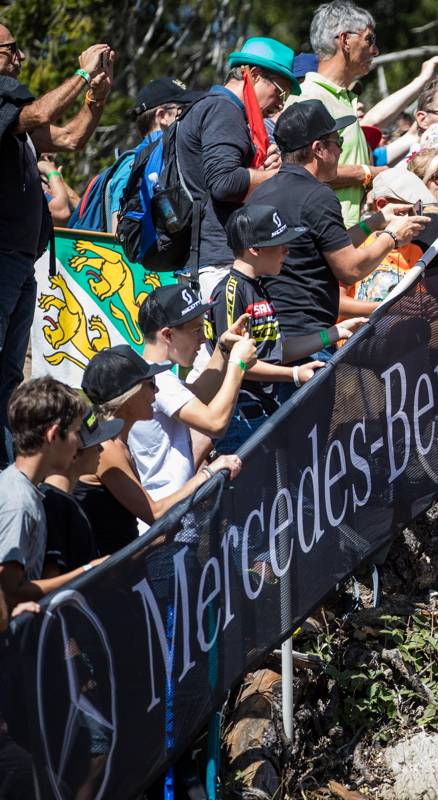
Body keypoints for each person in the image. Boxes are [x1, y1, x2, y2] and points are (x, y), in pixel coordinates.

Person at [0, 28, 113, 469]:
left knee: (9, 378)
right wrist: (83, 73)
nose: (22, 57)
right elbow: (38, 112)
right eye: (11, 50)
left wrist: (96, 98)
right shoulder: (11, 110)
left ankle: (10, 470)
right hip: (5, 260)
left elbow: (68, 138)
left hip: (20, 262)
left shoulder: (14, 122)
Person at [249, 100, 426, 375]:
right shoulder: (317, 195)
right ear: (318, 149)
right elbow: (350, 269)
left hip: (272, 337)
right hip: (309, 341)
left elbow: (322, 246)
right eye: (337, 140)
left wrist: (377, 221)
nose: (341, 148)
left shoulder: (262, 192)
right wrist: (392, 236)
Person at [209, 205, 368, 452]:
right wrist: (292, 375)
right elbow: (235, 364)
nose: (287, 250)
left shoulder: (259, 287)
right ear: (255, 249)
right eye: (279, 243)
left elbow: (277, 350)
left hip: (264, 411)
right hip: (241, 415)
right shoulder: (230, 291)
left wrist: (333, 333)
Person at [78, 346, 242, 555]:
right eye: (151, 384)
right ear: (128, 398)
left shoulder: (118, 443)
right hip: (116, 579)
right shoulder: (106, 449)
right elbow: (155, 513)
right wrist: (207, 473)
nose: (156, 391)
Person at [130, 283, 259, 524]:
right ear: (168, 335)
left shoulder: (151, 373)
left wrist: (223, 349)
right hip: (166, 524)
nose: (203, 339)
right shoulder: (160, 382)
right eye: (196, 330)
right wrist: (238, 365)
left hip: (168, 518)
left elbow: (198, 393)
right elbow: (215, 423)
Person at [177, 38, 294, 300]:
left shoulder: (209, 105)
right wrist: (276, 174)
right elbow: (225, 183)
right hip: (217, 265)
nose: (280, 104)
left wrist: (261, 170)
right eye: (280, 92)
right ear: (253, 75)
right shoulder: (224, 109)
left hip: (206, 259)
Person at [0, 378, 103, 608]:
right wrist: (88, 571)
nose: (79, 443)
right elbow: (9, 591)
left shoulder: (26, 491)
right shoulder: (19, 501)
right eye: (77, 432)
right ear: (54, 435)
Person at [291, 1, 391, 226]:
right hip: (319, 238)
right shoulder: (308, 97)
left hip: (343, 237)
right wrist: (369, 173)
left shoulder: (345, 98)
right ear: (345, 40)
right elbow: (302, 171)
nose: (375, 50)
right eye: (369, 39)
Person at [40, 407, 124, 578]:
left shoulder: (72, 500)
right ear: (75, 450)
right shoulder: (52, 504)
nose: (101, 450)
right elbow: (50, 583)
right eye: (95, 443)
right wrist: (91, 570)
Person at [107, 77, 200, 231]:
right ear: (162, 116)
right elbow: (120, 233)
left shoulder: (163, 159)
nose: (191, 115)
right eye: (184, 109)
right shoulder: (132, 167)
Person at [341, 168, 436, 315]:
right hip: (354, 336)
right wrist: (390, 308)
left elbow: (416, 301)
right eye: (412, 210)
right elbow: (338, 304)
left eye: (420, 211)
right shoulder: (353, 241)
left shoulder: (415, 251)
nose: (418, 220)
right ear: (382, 205)